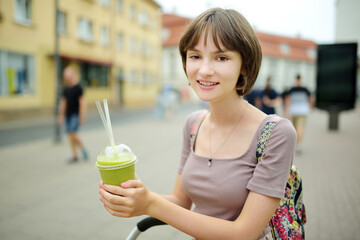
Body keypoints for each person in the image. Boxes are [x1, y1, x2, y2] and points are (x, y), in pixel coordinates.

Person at [98, 8, 296, 240]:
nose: (204, 70)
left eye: (221, 57)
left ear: (244, 65)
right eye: (195, 56)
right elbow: (180, 202)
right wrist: (137, 196)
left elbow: (243, 233)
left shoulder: (276, 133)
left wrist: (150, 204)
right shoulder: (193, 125)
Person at [57, 65, 88, 163]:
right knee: (70, 136)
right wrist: (60, 115)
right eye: (65, 74)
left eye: (67, 74)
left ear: (72, 75)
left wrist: (82, 115)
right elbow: (63, 103)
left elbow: (82, 102)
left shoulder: (78, 87)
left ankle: (82, 149)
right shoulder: (66, 89)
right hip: (68, 115)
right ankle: (74, 155)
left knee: (72, 133)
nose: (65, 76)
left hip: (75, 114)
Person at [285, 74, 314, 153]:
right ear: (300, 80)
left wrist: (286, 111)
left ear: (295, 80)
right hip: (303, 111)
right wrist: (311, 107)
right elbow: (311, 99)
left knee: (294, 128)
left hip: (293, 111)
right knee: (300, 128)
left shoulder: (292, 89)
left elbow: (288, 100)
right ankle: (298, 145)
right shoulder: (305, 89)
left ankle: (295, 144)